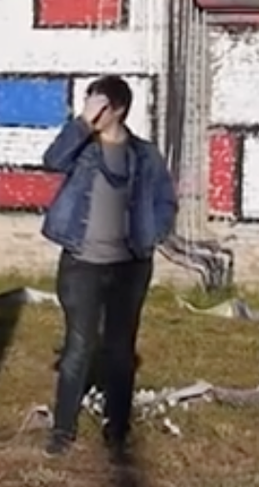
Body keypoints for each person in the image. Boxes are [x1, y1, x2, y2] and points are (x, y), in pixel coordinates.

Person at [39, 76, 178, 456]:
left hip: (129, 268)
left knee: (120, 348)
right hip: (81, 264)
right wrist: (83, 123)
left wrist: (152, 235)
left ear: (116, 109)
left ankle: (117, 429)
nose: (89, 110)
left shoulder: (145, 155)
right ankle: (62, 430)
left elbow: (166, 201)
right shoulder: (81, 148)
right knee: (78, 347)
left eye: (97, 104)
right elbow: (51, 161)